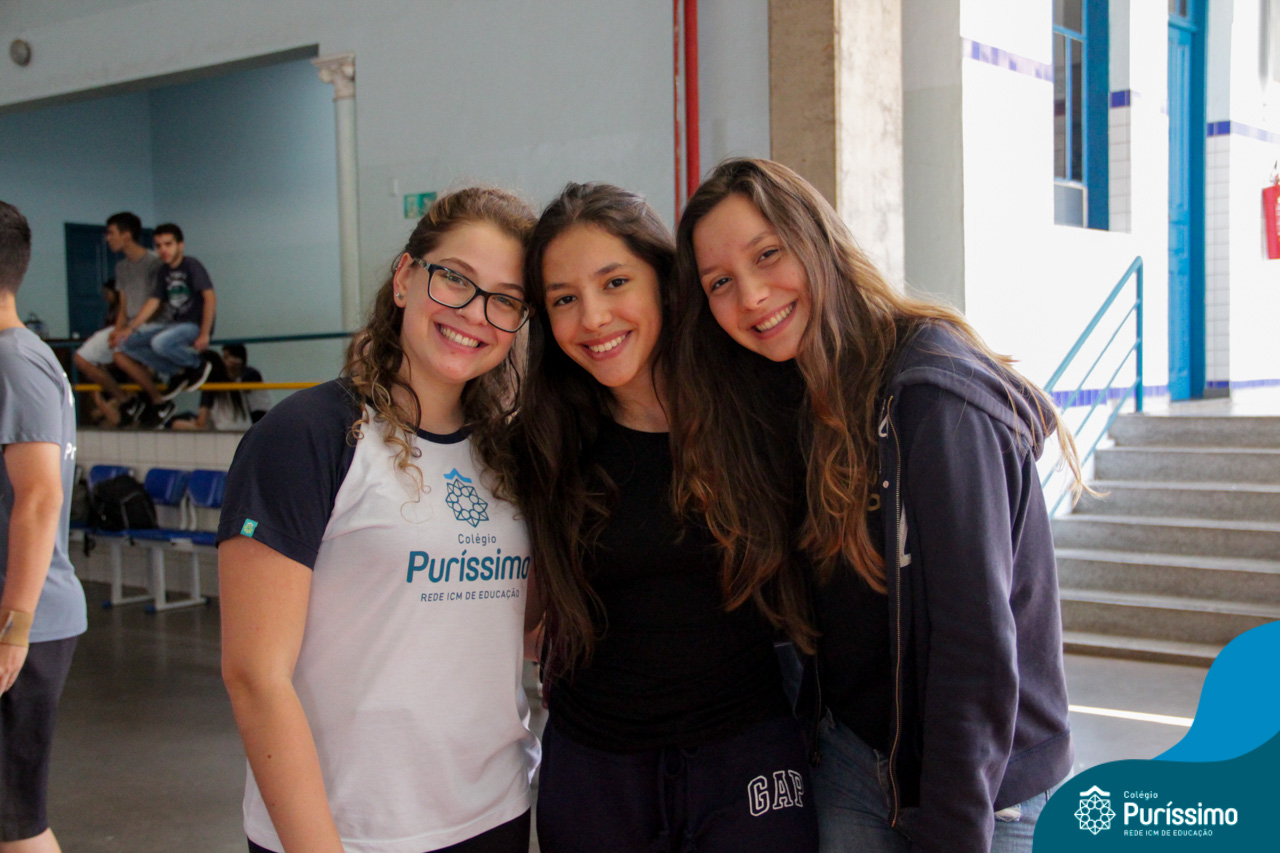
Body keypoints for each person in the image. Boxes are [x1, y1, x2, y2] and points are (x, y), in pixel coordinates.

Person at [670, 159, 1081, 853]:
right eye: (719, 283)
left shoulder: (930, 394)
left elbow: (976, 648)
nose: (752, 296)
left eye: (768, 254)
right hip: (852, 761)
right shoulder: (784, 399)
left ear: (819, 240)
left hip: (983, 789)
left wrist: (954, 831)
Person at [217, 187, 540, 853]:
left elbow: (519, 630)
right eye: (455, 278)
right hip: (350, 830)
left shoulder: (512, 452)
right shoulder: (308, 435)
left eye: (505, 299)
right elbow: (254, 676)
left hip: (496, 813)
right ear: (404, 278)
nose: (474, 312)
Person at [503, 183, 818, 853]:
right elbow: (519, 614)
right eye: (563, 299)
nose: (593, 318)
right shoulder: (544, 441)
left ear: (666, 284)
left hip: (749, 759)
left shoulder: (758, 405)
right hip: (598, 774)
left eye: (615, 282)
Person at [0, 200, 87, 853]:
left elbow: (39, 497)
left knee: (15, 820)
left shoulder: (13, 360)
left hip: (24, 621)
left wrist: (13, 630)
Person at [115, 223, 216, 426]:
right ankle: (177, 371)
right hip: (173, 326)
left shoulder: (191, 265)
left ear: (181, 245)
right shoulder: (163, 271)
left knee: (159, 343)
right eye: (159, 245)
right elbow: (153, 301)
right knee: (126, 344)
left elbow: (210, 298)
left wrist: (205, 333)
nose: (163, 250)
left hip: (193, 325)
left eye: (168, 244)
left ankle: (196, 364)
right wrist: (130, 328)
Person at [72, 212, 162, 405]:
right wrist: (118, 329)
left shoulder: (155, 263)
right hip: (128, 326)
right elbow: (123, 305)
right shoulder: (121, 267)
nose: (108, 238)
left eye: (111, 233)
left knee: (120, 356)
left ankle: (158, 401)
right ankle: (125, 402)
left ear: (126, 235)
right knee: (81, 358)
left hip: (151, 324)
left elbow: (158, 303)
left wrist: (131, 329)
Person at [167, 352, 251, 431]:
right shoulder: (233, 384)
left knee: (175, 423)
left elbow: (201, 423)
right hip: (247, 429)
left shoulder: (210, 388)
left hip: (224, 431)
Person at [220, 343, 273, 423]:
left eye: (226, 357)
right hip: (248, 414)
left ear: (237, 359)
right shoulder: (235, 376)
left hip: (260, 413)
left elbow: (245, 388)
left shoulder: (251, 373)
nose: (223, 361)